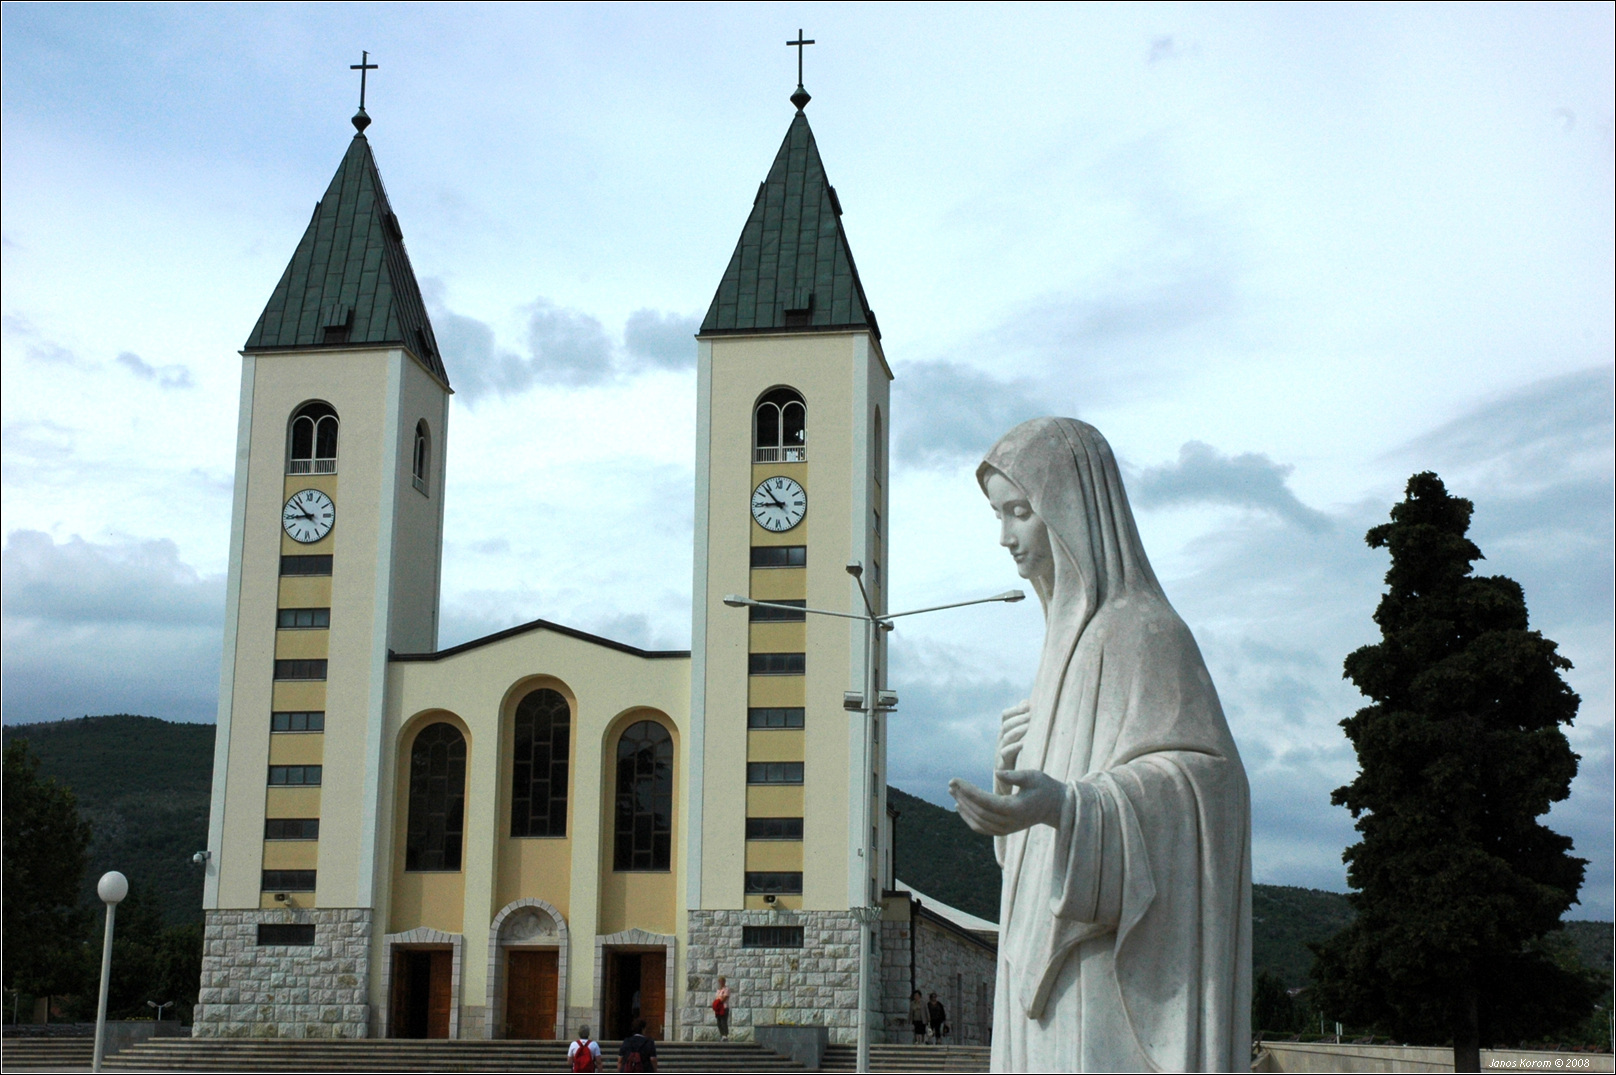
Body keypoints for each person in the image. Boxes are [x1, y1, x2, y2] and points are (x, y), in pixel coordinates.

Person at [948, 418, 1252, 1072]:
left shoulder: (1144, 633)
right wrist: (1017, 793)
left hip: (1102, 971)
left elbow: (1211, 785)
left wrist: (1070, 807)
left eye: (1020, 513)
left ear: (1070, 514)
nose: (1005, 537)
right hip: (1044, 979)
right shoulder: (1062, 646)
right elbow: (1032, 855)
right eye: (999, 515)